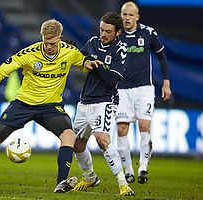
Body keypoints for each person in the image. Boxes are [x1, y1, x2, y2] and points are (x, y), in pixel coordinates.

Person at [0, 19, 103, 193]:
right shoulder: (29, 53)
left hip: (50, 106)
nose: (48, 47)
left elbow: (82, 63)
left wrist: (87, 65)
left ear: (60, 38)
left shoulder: (70, 52)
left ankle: (61, 182)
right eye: (45, 42)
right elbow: (2, 70)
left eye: (52, 43)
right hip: (24, 104)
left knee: (69, 136)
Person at [71, 12, 134, 196]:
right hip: (85, 101)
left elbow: (112, 80)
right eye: (101, 30)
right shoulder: (92, 42)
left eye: (108, 31)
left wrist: (96, 65)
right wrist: (75, 55)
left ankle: (123, 184)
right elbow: (80, 61)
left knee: (102, 139)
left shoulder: (120, 50)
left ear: (118, 33)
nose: (103, 34)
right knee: (76, 144)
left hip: (105, 101)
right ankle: (90, 176)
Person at [116, 1, 171, 184]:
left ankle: (143, 169)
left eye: (131, 15)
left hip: (144, 88)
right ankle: (129, 170)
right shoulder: (116, 34)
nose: (127, 18)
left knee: (144, 126)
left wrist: (166, 82)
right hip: (121, 89)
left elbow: (161, 56)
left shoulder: (148, 33)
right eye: (124, 14)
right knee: (121, 129)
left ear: (137, 17)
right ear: (121, 15)